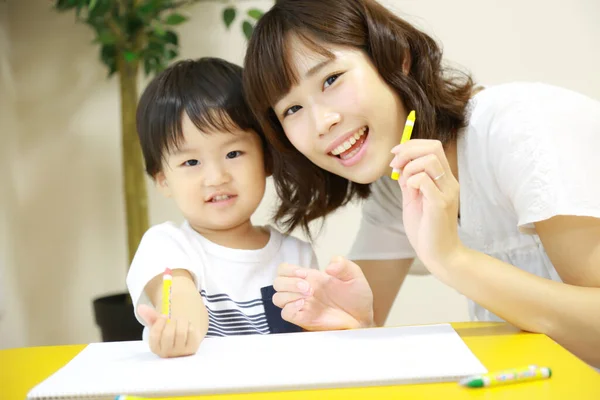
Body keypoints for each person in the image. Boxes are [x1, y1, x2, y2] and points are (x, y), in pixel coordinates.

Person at [242, 0, 600, 367]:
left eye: (331, 79)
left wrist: (451, 258)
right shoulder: (396, 182)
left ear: (396, 56)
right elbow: (359, 312)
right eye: (292, 109)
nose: (322, 122)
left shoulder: (520, 128)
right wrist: (349, 323)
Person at [127, 58, 317, 358]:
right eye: (191, 162)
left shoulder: (297, 256)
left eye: (233, 153)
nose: (216, 177)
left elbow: (312, 345)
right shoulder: (165, 246)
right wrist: (180, 327)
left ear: (266, 158)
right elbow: (177, 297)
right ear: (162, 180)